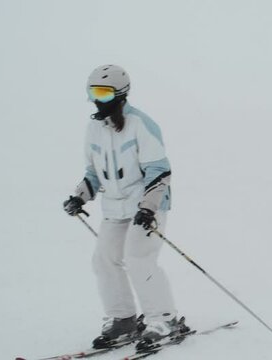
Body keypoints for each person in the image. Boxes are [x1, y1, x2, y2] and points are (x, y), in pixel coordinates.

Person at [62, 64, 188, 349]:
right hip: (114, 208)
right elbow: (93, 173)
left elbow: (160, 172)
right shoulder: (93, 129)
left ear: (120, 94)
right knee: (103, 260)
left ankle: (164, 319)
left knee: (138, 257)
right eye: (93, 93)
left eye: (104, 94)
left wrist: (148, 208)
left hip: (146, 207)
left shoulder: (141, 124)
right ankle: (123, 319)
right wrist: (80, 196)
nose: (98, 100)